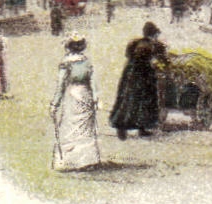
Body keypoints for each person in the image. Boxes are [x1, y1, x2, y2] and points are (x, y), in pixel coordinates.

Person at [49, 34, 101, 171]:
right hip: (86, 95)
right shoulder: (87, 62)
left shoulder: (66, 63)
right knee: (84, 129)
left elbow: (60, 86)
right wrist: (95, 99)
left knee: (71, 128)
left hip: (72, 95)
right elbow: (93, 82)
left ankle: (72, 162)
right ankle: (87, 161)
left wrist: (54, 104)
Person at [109, 21, 169, 139]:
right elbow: (164, 60)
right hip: (144, 74)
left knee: (128, 99)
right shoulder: (156, 45)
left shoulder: (134, 42)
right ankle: (140, 127)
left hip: (130, 73)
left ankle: (123, 126)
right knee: (144, 101)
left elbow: (127, 55)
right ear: (154, 34)